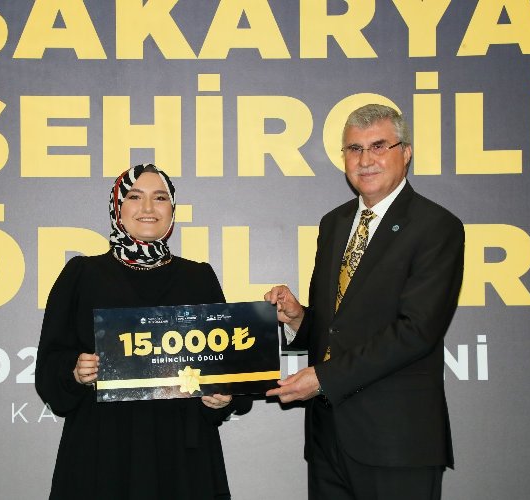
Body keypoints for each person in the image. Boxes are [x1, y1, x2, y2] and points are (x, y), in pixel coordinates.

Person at [265, 104, 464, 500]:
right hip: (328, 440)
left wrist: (324, 378)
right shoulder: (334, 223)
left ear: (406, 153)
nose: (365, 159)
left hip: (396, 442)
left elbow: (416, 331)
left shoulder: (436, 226)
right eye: (354, 149)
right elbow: (339, 326)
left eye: (378, 146)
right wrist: (299, 318)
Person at [36, 163, 247, 499]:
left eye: (160, 198)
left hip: (182, 456)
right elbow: (49, 367)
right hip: (102, 451)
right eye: (134, 197)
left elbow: (227, 367)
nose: (148, 207)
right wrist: (74, 371)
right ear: (117, 208)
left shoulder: (199, 278)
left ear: (172, 210)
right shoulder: (82, 274)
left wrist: (222, 397)